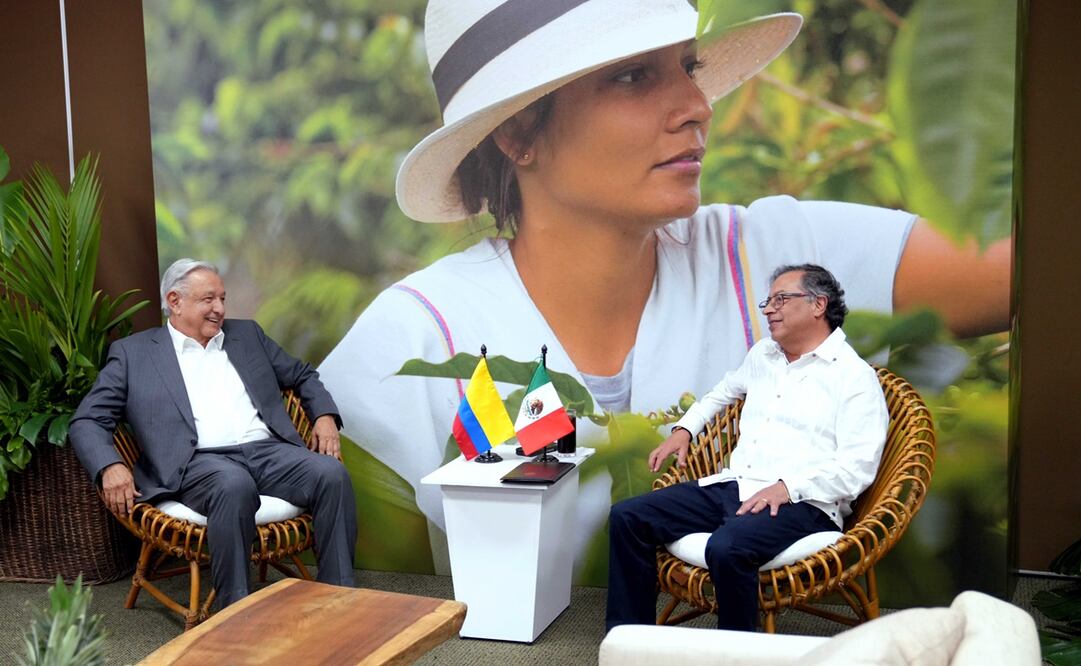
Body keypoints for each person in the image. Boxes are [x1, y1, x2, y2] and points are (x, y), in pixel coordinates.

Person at [317, 0, 1008, 561]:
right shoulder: (417, 340)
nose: (696, 104)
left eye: (688, 66)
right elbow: (372, 603)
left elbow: (1018, 272)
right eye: (631, 77)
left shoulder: (772, 255)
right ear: (518, 133)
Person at [606, 264, 887, 631]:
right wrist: (685, 428)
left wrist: (787, 487)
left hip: (805, 504)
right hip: (737, 486)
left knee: (727, 547)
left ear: (818, 305)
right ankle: (628, 640)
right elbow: (723, 391)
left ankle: (735, 651)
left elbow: (857, 467)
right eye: (767, 302)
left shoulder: (853, 377)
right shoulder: (763, 355)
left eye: (781, 299)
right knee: (628, 517)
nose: (769, 309)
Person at [70, 259, 357, 607]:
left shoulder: (248, 335)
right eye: (208, 299)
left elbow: (302, 375)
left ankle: (339, 596)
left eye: (222, 299)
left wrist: (324, 416)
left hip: (267, 451)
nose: (219, 308)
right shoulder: (135, 353)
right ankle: (234, 611)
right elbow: (88, 419)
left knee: (331, 474)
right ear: (175, 301)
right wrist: (109, 466)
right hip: (196, 462)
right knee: (233, 485)